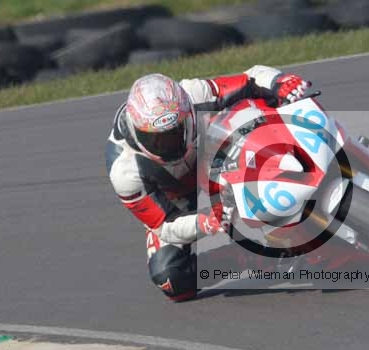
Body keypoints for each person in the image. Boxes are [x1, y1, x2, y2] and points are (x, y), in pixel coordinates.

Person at [105, 65, 311, 301]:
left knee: (253, 108)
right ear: (136, 131)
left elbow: (250, 79)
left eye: (175, 132)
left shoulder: (192, 94)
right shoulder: (124, 170)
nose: (168, 145)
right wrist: (207, 221)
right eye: (156, 140)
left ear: (187, 115)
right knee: (171, 278)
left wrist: (280, 82)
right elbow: (164, 226)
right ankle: (253, 257)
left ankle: (296, 167)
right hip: (176, 203)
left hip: (214, 158)